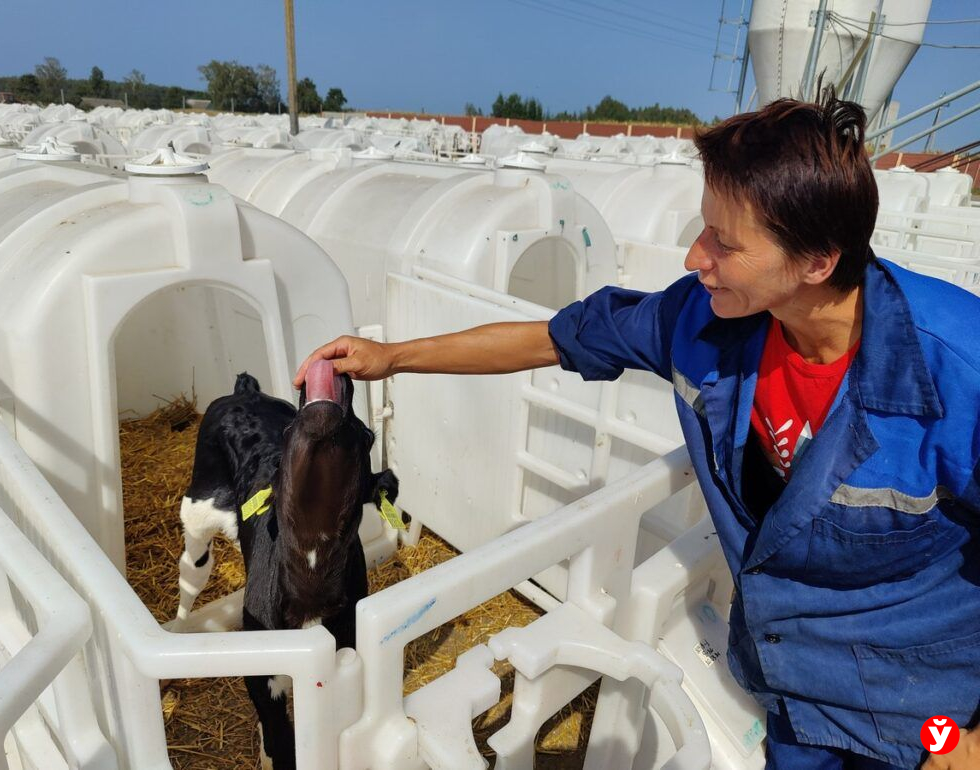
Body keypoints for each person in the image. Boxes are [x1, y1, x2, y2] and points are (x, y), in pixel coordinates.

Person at [293, 92, 980, 770]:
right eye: (702, 228)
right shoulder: (706, 320)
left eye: (724, 243)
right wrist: (392, 357)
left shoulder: (956, 368)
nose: (693, 257)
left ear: (817, 262)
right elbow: (551, 339)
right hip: (790, 689)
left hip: (923, 714)